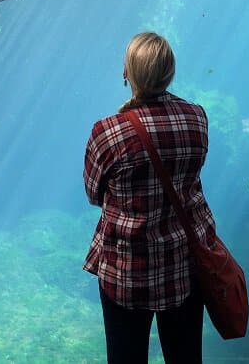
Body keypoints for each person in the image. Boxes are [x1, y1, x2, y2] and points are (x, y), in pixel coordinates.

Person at [83, 32, 215, 363]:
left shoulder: (108, 132)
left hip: (126, 271)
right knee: (185, 357)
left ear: (127, 73)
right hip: (184, 264)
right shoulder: (197, 118)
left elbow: (93, 194)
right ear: (170, 73)